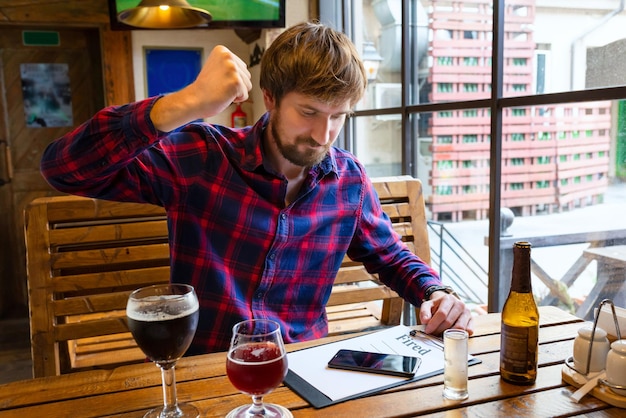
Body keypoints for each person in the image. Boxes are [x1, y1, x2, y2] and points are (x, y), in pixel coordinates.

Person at [40, 21, 474, 355]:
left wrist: (434, 292)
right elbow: (64, 168)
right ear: (270, 98)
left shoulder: (349, 181)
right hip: (209, 367)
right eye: (308, 112)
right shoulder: (203, 158)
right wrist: (186, 103)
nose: (324, 135)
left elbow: (389, 255)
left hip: (305, 364)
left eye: (339, 116)